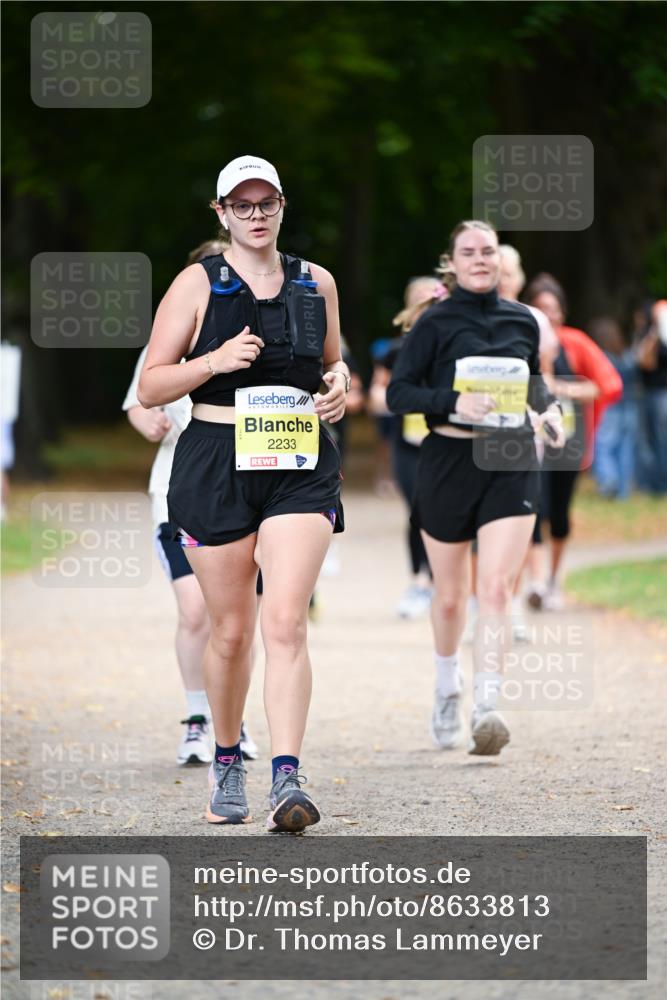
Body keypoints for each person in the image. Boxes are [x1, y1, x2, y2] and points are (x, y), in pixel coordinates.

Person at [138, 155, 348, 832]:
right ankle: (227, 757)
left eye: (267, 203)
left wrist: (340, 385)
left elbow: (332, 363)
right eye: (242, 204)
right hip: (216, 460)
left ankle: (287, 777)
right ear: (221, 212)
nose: (256, 215)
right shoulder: (196, 284)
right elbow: (150, 386)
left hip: (298, 463)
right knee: (230, 633)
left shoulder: (316, 281)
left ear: (283, 206)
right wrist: (212, 362)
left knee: (284, 620)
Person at [387, 220, 564, 756]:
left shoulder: (524, 321)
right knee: (448, 599)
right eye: (470, 252)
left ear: (500, 260)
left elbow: (535, 384)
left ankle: (488, 705)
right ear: (454, 262)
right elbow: (400, 393)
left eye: (489, 251)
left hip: (510, 456)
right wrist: (452, 402)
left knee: (495, 591)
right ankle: (447, 689)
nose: (481, 259)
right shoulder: (433, 323)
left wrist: (550, 413)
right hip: (447, 459)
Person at [123, 239, 257, 767]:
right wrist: (146, 421)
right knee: (196, 610)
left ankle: (234, 720)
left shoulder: (261, 331)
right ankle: (198, 719)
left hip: (250, 491)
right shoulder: (170, 333)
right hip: (179, 492)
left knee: (238, 619)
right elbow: (139, 400)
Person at [524, 274, 622, 609]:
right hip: (524, 442)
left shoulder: (576, 343)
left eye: (551, 308)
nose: (546, 315)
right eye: (539, 308)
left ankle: (553, 578)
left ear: (562, 312)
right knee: (533, 508)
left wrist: (563, 389)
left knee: (559, 513)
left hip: (566, 441)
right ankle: (534, 582)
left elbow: (607, 385)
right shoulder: (519, 341)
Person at [369, 276, 446, 619]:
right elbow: (376, 396)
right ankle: (419, 582)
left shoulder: (454, 346)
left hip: (447, 440)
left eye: (432, 299)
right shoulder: (396, 352)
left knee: (446, 510)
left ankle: (446, 581)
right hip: (408, 442)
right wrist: (401, 399)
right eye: (419, 299)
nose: (425, 305)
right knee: (418, 509)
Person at [590, 317, 639, 500]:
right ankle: (623, 492)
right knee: (625, 450)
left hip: (610, 408)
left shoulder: (600, 357)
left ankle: (608, 483)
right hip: (630, 407)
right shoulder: (625, 355)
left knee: (603, 447)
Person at [635, 299, 667, 495]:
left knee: (660, 440)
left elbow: (647, 363)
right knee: (653, 440)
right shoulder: (652, 336)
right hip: (651, 394)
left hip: (660, 395)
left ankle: (661, 484)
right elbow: (644, 362)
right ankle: (655, 483)